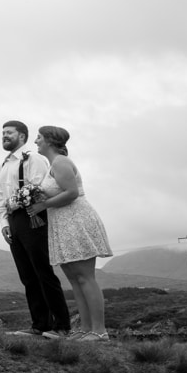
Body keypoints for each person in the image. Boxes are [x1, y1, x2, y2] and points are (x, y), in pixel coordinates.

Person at [27, 126, 113, 342]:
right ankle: (85, 329)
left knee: (85, 277)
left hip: (75, 220)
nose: (36, 141)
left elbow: (72, 193)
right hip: (62, 222)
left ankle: (99, 331)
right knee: (75, 280)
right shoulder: (52, 165)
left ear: (49, 141)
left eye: (39, 137)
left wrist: (42, 205)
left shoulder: (61, 162)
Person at [0, 119, 71, 338]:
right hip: (14, 222)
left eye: (9, 133)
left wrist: (18, 203)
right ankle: (40, 325)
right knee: (27, 276)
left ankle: (62, 326)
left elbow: (39, 189)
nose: (4, 136)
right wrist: (4, 223)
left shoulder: (34, 158)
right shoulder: (4, 164)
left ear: (22, 136)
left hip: (34, 216)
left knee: (43, 272)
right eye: (2, 133)